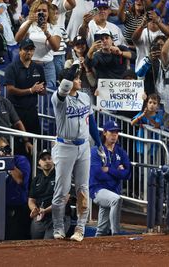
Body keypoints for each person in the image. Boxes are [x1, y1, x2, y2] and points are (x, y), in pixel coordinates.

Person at [50, 69, 106, 242]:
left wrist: (99, 143)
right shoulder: (58, 98)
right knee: (62, 190)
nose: (79, 81)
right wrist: (73, 69)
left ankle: (80, 228)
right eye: (76, 78)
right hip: (65, 147)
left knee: (83, 189)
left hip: (83, 147)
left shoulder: (84, 97)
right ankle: (58, 228)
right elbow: (64, 87)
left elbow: (91, 122)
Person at [89, 120, 131, 236]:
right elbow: (97, 173)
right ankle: (116, 233)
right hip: (98, 189)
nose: (114, 135)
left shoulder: (121, 152)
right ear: (104, 133)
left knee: (101, 230)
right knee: (116, 200)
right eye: (111, 132)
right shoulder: (96, 150)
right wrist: (117, 172)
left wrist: (109, 170)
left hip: (112, 190)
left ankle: (99, 239)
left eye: (116, 132)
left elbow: (127, 174)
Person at [15, 0, 61, 90]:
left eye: (44, 10)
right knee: (28, 91)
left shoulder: (54, 27)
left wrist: (46, 32)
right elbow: (17, 39)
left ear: (49, 13)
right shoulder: (28, 24)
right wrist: (29, 22)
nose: (41, 12)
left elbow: (56, 47)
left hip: (47, 66)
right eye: (38, 10)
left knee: (48, 93)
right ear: (34, 12)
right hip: (29, 64)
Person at [4, 38, 46, 138]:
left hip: (32, 111)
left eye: (31, 50)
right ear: (20, 51)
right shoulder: (11, 68)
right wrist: (31, 90)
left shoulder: (38, 68)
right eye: (26, 49)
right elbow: (10, 89)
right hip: (16, 112)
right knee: (18, 143)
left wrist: (41, 90)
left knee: (35, 141)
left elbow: (44, 89)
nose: (29, 52)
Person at [0, 137, 31, 240]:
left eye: (4, 148)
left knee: (16, 239)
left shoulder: (20, 160)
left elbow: (19, 180)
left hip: (18, 207)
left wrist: (7, 161)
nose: (2, 151)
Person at [28, 149, 55, 239]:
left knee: (48, 243)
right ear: (39, 162)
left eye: (49, 158)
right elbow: (31, 200)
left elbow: (63, 200)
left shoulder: (60, 176)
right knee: (34, 244)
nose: (47, 161)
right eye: (44, 159)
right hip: (40, 216)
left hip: (57, 216)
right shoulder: (36, 179)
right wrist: (34, 209)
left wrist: (45, 210)